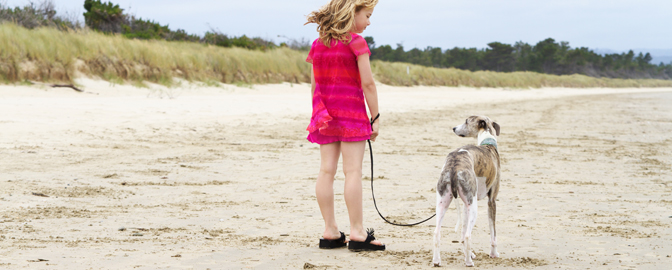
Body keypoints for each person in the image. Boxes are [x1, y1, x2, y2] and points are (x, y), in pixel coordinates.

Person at [304, 0, 384, 251]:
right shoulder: (356, 43)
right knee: (352, 172)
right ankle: (358, 233)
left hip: (324, 115)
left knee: (326, 171)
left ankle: (330, 231)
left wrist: (317, 114)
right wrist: (376, 116)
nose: (370, 21)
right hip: (351, 115)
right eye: (368, 15)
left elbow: (314, 86)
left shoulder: (318, 44)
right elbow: (368, 83)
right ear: (353, 14)